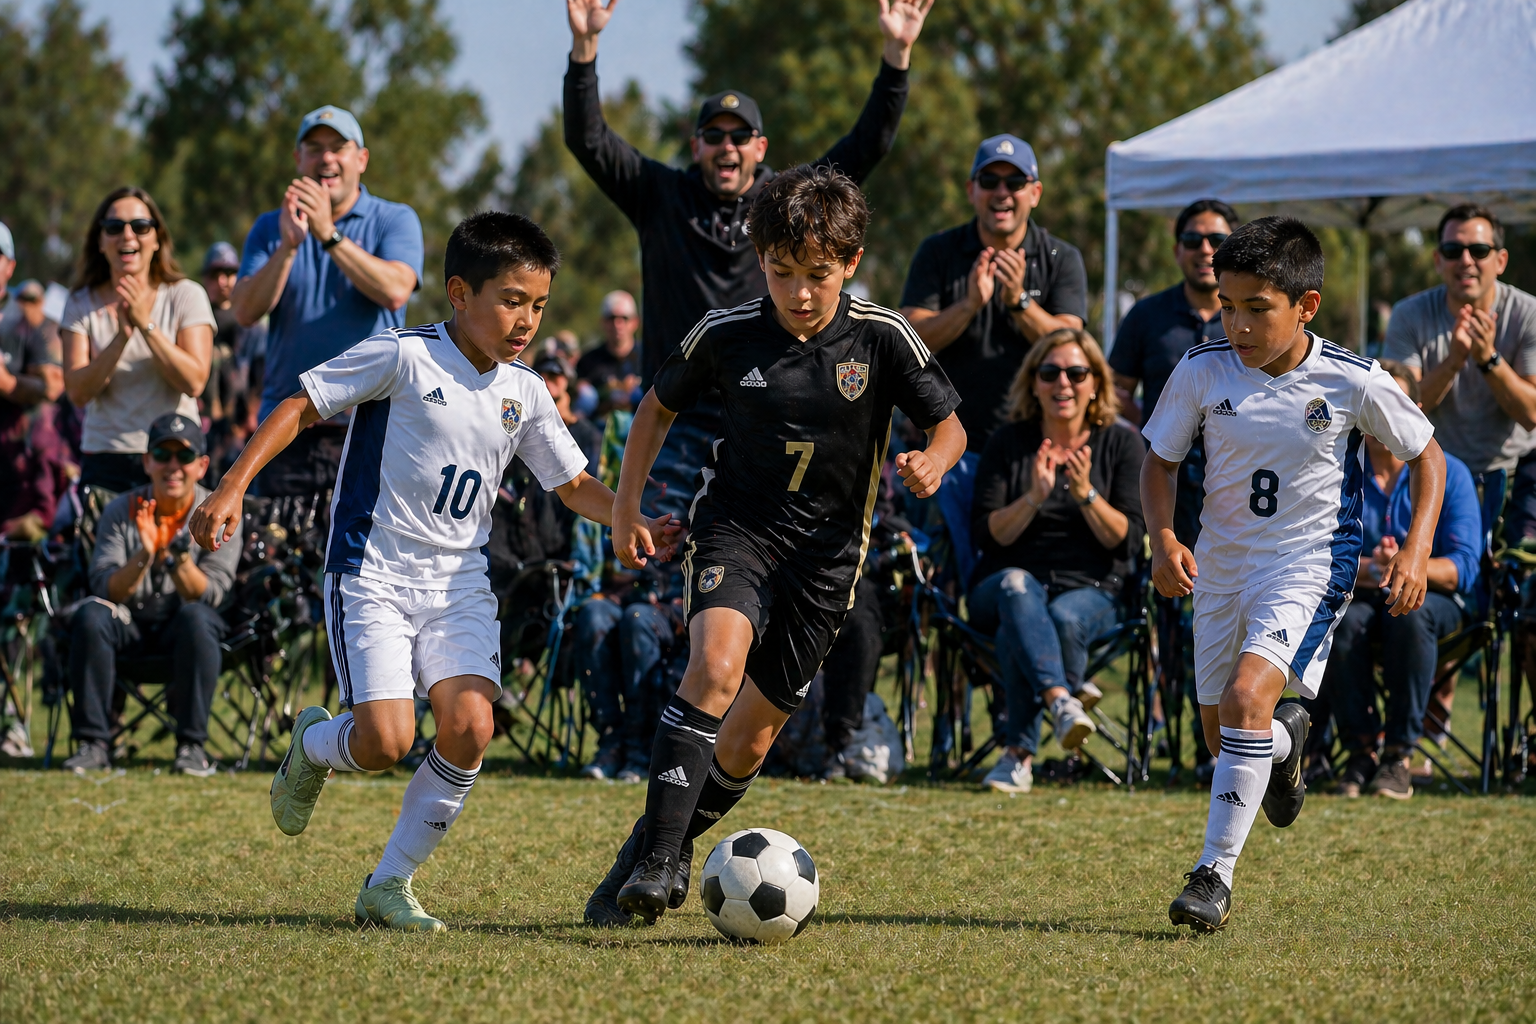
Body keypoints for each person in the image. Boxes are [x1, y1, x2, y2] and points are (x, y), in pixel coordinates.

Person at [191, 212, 677, 932]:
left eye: (538, 305)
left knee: (471, 726)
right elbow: (301, 403)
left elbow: (571, 485)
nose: (526, 321)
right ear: (458, 292)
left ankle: (388, 885)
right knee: (384, 742)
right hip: (372, 572)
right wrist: (231, 484)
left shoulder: (527, 391)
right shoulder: (402, 356)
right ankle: (316, 745)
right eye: (512, 300)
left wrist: (626, 516)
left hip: (459, 584)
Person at [582, 165, 965, 927]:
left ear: (850, 264)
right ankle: (661, 863)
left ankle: (650, 845)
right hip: (737, 529)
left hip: (827, 563)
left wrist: (935, 459)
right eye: (781, 272)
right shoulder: (725, 334)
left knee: (749, 746)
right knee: (715, 668)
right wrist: (626, 505)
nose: (797, 292)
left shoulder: (884, 337)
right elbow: (654, 409)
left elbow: (951, 423)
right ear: (760, 261)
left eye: (817, 276)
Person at [1143, 216, 1444, 932]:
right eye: (1227, 306)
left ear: (1305, 306)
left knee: (1250, 697)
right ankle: (1286, 746)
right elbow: (1160, 461)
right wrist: (1162, 538)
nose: (1238, 324)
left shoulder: (1350, 378)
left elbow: (1427, 456)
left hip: (1307, 564)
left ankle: (1212, 876)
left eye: (1257, 309)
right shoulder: (1201, 370)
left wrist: (1414, 549)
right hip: (1218, 565)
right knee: (1227, 741)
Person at [564, 0, 931, 522]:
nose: (726, 145)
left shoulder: (785, 203)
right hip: (679, 414)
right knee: (666, 553)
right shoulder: (661, 197)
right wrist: (585, 48)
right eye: (714, 135)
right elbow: (589, 139)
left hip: (766, 413)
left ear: (760, 147)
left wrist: (897, 56)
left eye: (740, 136)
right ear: (696, 146)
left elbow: (866, 145)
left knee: (762, 552)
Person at [899, 134, 1088, 583]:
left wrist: (1020, 302)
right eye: (990, 181)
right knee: (938, 585)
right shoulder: (939, 252)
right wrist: (967, 306)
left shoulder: (1061, 257)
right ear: (972, 190)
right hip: (949, 450)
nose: (1002, 193)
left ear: (1035, 192)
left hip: (1029, 454)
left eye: (1015, 182)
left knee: (1015, 579)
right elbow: (909, 334)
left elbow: (1073, 342)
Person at [969, 329, 1145, 793]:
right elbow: (985, 535)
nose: (1062, 383)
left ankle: (1018, 756)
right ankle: (1064, 698)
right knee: (1016, 589)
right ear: (1034, 383)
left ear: (1095, 384)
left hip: (1092, 590)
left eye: (1076, 372)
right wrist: (1033, 497)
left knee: (1050, 622)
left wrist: (1086, 494)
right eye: (1049, 373)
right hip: (1005, 583)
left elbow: (1129, 541)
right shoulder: (1007, 443)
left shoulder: (1122, 446)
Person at [1108, 198, 1239, 781]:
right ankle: (1181, 741)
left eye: (1215, 238)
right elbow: (1113, 391)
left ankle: (1228, 745)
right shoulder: (1148, 315)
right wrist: (1159, 430)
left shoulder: (1254, 315)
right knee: (1174, 616)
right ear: (1176, 248)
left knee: (1233, 613)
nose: (1204, 248)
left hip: (1239, 491)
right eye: (1192, 238)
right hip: (1169, 489)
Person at [232, 105, 424, 498]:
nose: (326, 158)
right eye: (314, 147)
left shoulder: (394, 219)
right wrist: (288, 247)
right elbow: (245, 311)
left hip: (370, 428)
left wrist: (328, 234)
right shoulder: (271, 226)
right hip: (288, 428)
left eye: (339, 147)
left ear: (362, 159)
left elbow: (395, 290)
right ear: (298, 159)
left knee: (360, 558)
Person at [1327, 361, 1481, 799]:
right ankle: (1359, 752)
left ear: (1414, 409)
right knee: (1344, 622)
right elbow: (1319, 554)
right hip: (1361, 591)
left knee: (1409, 617)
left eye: (1392, 403)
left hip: (1436, 601)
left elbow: (1464, 568)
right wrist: (1367, 570)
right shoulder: (1339, 470)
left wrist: (1409, 565)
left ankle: (1398, 756)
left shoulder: (1449, 472)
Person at [62, 413, 240, 776]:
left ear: (202, 465)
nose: (172, 466)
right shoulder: (119, 510)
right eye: (162, 454)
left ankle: (191, 749)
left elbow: (212, 594)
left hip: (184, 629)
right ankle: (93, 744)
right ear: (147, 461)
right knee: (91, 614)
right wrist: (144, 553)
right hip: (128, 622)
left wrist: (172, 556)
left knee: (198, 618)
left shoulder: (219, 513)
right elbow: (105, 587)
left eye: (184, 456)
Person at [1382, 205, 1536, 541]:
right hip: (1439, 475)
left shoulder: (1528, 313)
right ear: (1438, 260)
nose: (1465, 260)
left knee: (1515, 582)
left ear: (1501, 261)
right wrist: (1453, 361)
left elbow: (1532, 414)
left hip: (1515, 477)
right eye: (1453, 251)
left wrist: (1488, 360)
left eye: (1479, 250)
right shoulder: (1409, 314)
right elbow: (1400, 411)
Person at [61, 188, 216, 496]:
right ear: (101, 241)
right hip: (106, 458)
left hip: (172, 455)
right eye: (114, 227)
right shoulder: (80, 303)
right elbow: (77, 391)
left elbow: (195, 381)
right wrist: (121, 337)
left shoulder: (186, 295)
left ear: (157, 239)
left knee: (172, 547)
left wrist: (146, 324)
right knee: (106, 546)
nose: (127, 235)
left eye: (141, 226)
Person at [1, 225, 69, 539]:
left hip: (18, 469)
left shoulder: (30, 322)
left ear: (10, 266)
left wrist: (9, 385)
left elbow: (53, 386)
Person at [576, 290, 642, 415]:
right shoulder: (588, 361)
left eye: (624, 318)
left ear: (635, 322)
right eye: (611, 318)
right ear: (602, 322)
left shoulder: (649, 358)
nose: (617, 324)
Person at [534, 354, 601, 473]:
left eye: (553, 376)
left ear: (567, 380)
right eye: (540, 377)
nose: (546, 382)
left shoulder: (587, 434)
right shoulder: (528, 429)